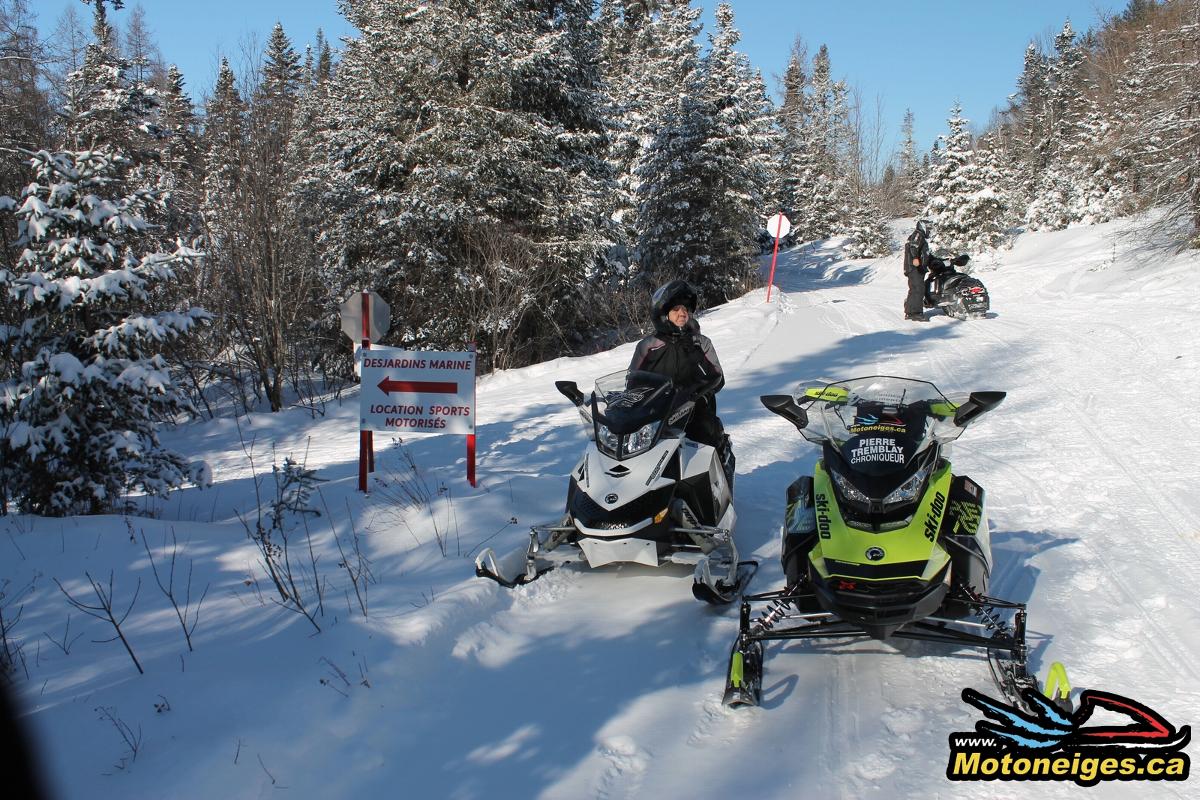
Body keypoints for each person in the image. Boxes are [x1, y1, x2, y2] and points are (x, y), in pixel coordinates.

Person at [629, 280, 734, 480]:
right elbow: (632, 380)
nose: (682, 313)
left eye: (685, 308)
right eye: (676, 308)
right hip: (655, 413)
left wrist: (697, 390)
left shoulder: (700, 343)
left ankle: (715, 488)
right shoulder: (648, 346)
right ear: (663, 312)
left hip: (694, 410)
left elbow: (718, 377)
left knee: (706, 436)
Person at [903, 219, 933, 321]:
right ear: (922, 227)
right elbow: (913, 247)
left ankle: (910, 311)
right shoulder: (918, 235)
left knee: (915, 288)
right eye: (928, 228)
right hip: (914, 267)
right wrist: (915, 258)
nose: (929, 230)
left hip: (917, 268)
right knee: (918, 289)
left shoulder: (920, 237)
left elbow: (925, 254)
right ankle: (915, 312)